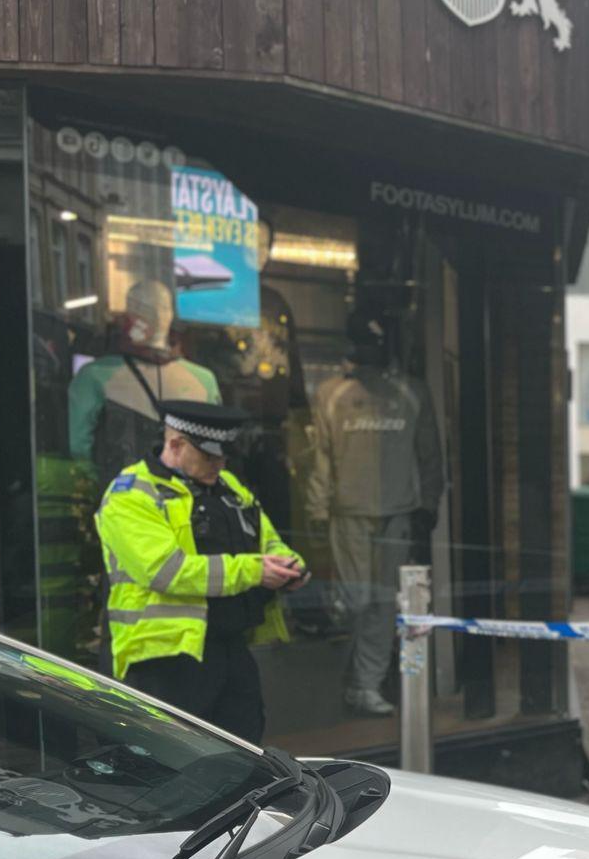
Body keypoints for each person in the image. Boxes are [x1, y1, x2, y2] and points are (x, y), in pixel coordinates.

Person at [96, 400, 308, 744]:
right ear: (176, 445)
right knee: (171, 765)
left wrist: (289, 566)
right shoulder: (132, 494)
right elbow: (167, 571)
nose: (220, 464)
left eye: (224, 456)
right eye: (210, 457)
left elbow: (267, 540)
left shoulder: (228, 487)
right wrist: (255, 571)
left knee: (246, 756)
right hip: (163, 659)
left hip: (230, 649)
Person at [308, 305, 446, 717]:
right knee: (355, 602)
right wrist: (316, 510)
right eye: (363, 343)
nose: (369, 351)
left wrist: (428, 506)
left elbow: (430, 457)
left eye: (376, 343)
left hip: (397, 512)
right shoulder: (332, 393)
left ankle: (365, 686)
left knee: (384, 604)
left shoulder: (411, 392)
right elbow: (322, 458)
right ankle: (349, 678)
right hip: (348, 512)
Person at [66, 279, 222, 489]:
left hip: (146, 500)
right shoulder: (94, 376)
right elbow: (78, 449)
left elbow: (79, 450)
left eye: (163, 308)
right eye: (142, 308)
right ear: (129, 312)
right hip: (154, 502)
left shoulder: (204, 380)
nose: (156, 315)